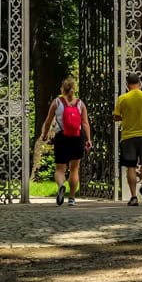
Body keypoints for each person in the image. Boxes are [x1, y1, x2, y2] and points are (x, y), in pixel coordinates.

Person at [40, 77, 92, 207]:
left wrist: (44, 134)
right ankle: (72, 198)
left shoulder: (56, 102)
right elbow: (85, 123)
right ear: (74, 89)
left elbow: (48, 121)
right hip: (77, 137)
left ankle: (61, 185)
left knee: (60, 169)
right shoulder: (80, 103)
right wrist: (88, 139)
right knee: (74, 169)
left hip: (61, 137)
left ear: (62, 89)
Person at [114, 71, 142, 206]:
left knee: (131, 167)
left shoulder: (122, 99)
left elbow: (116, 117)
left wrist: (126, 117)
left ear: (127, 85)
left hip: (128, 137)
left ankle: (133, 197)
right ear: (140, 83)